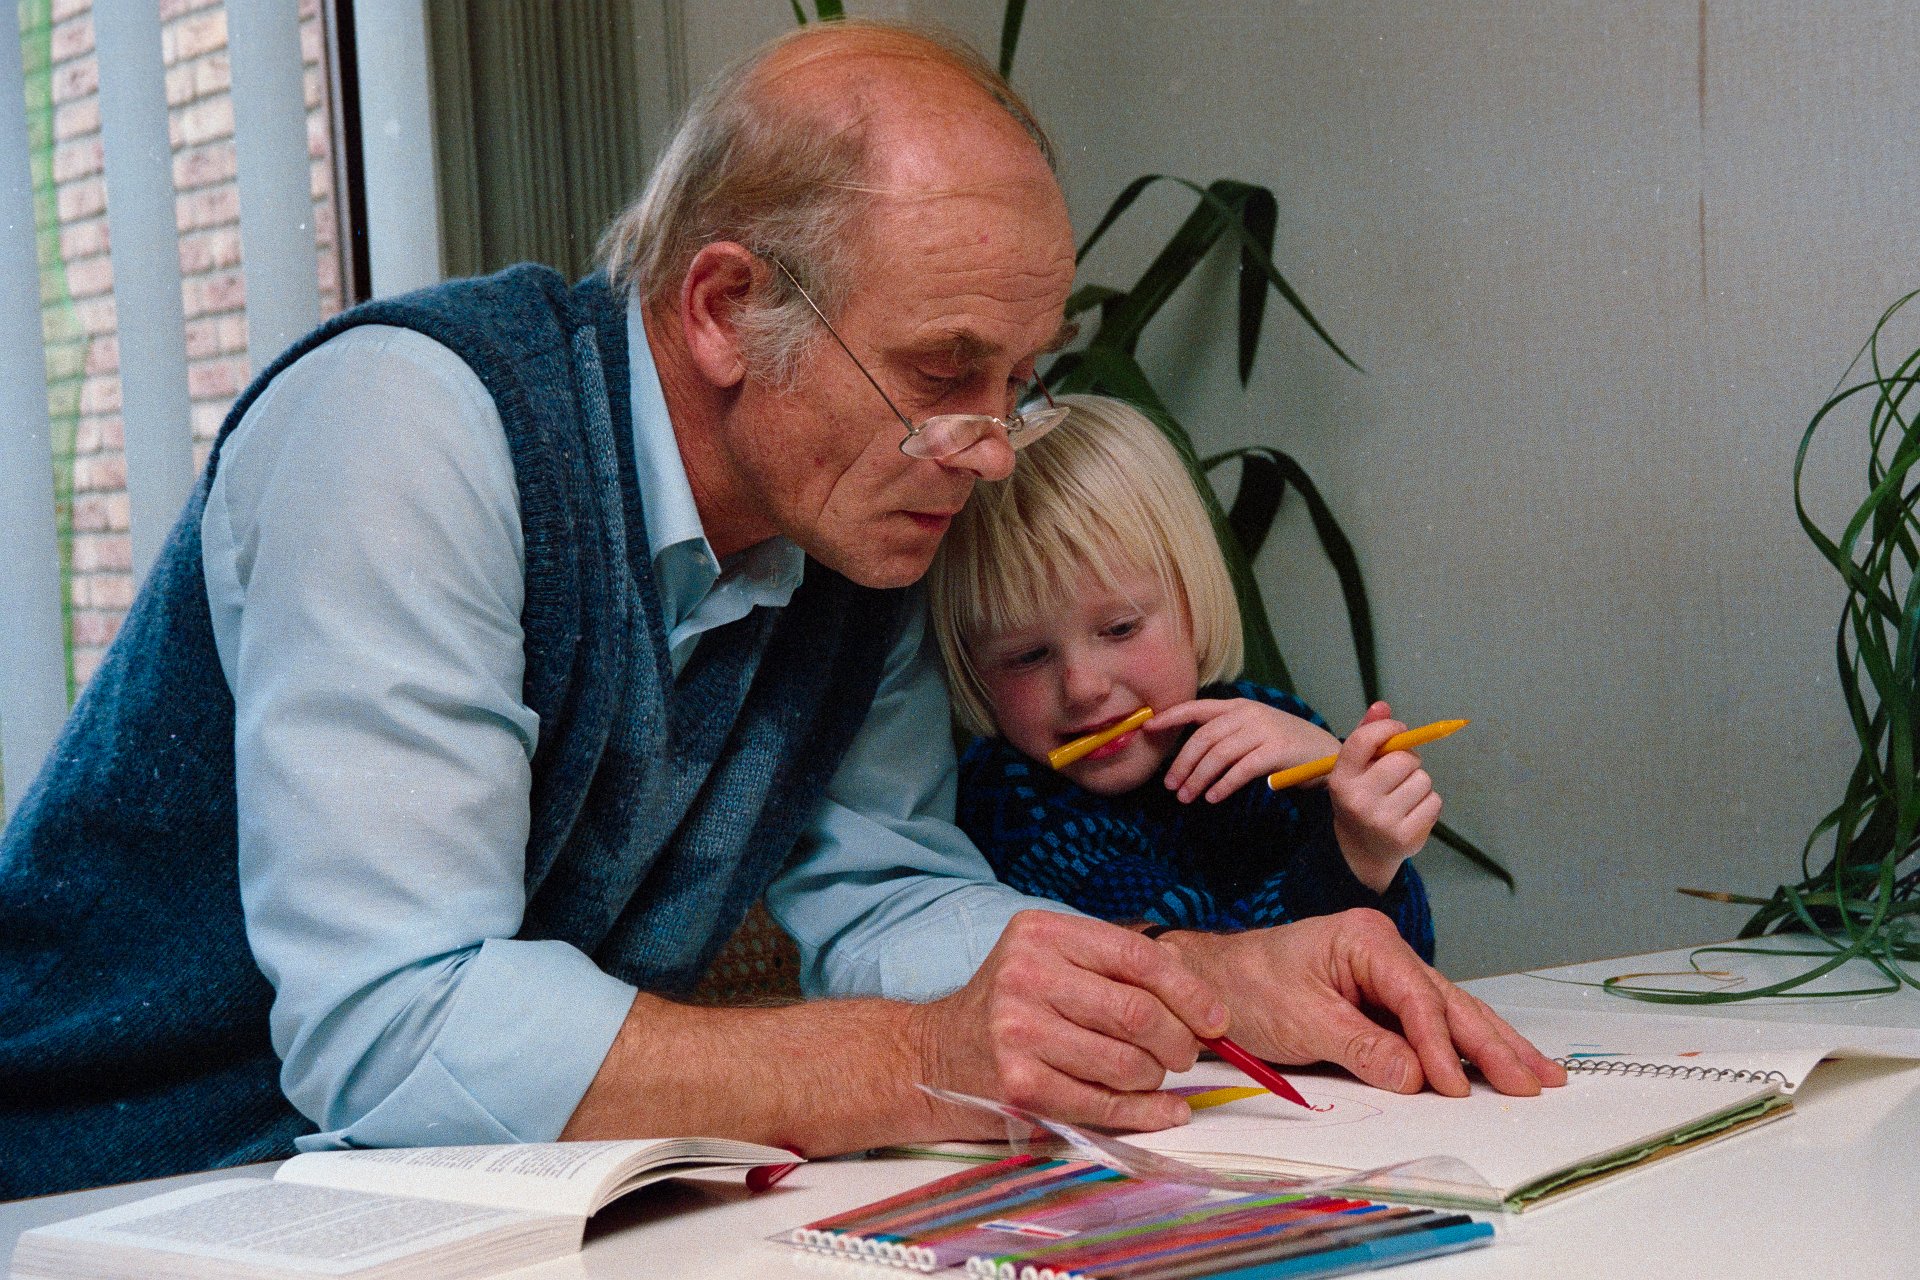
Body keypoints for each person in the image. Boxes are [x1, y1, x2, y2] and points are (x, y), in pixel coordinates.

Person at [0, 20, 1561, 1201]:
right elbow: (396, 1023)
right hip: (107, 1194)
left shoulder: (854, 533)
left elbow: (886, 901)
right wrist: (915, 1060)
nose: (993, 451)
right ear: (726, 309)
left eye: (1018, 380)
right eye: (944, 371)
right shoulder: (409, 425)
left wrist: (1210, 982)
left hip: (430, 1209)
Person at [929, 395, 1437, 959]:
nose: (1084, 687)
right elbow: (1217, 974)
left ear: (1193, 601)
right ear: (972, 665)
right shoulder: (1010, 805)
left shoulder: (1266, 729)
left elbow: (1411, 964)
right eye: (1028, 656)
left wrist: (1349, 808)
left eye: (1120, 628)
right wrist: (1358, 857)